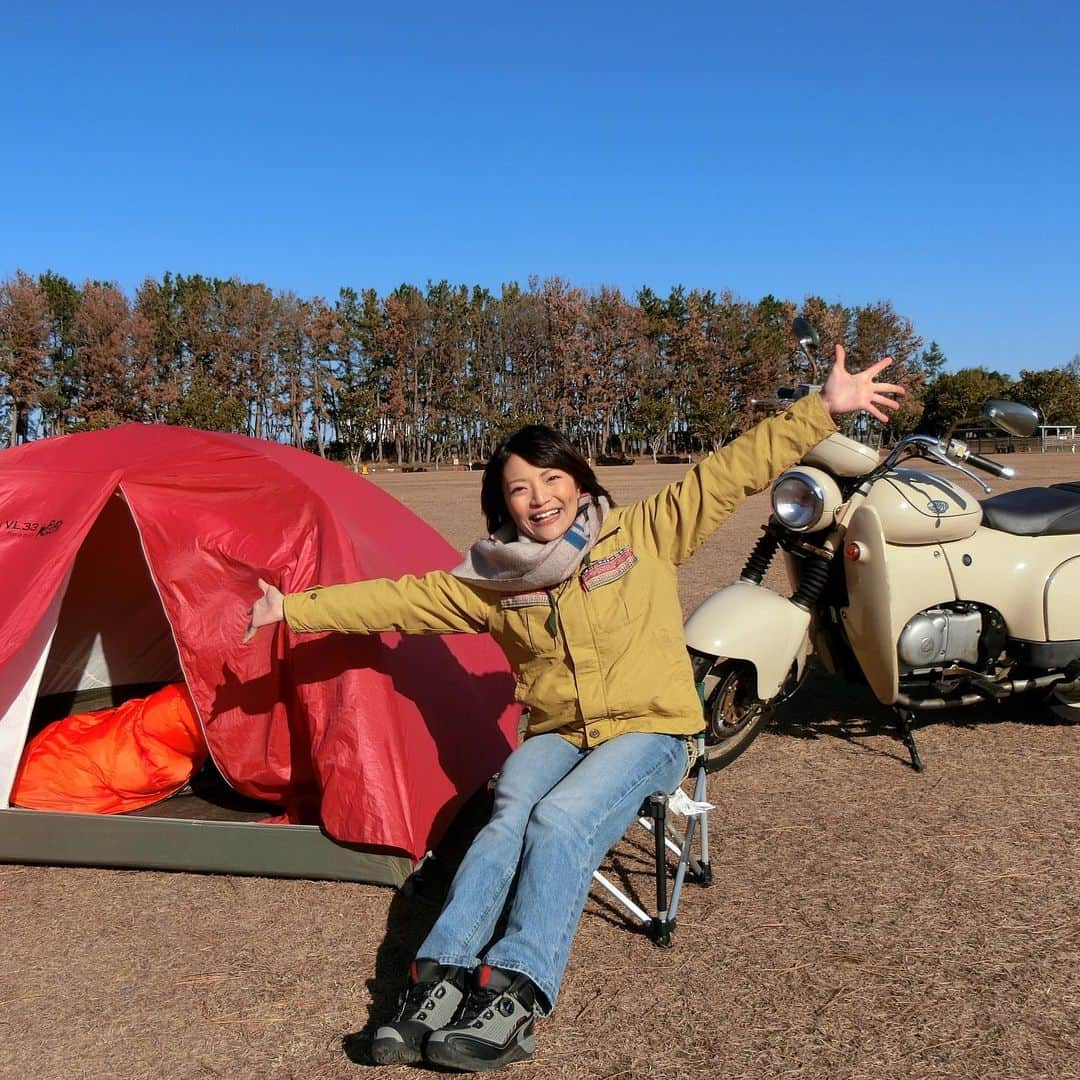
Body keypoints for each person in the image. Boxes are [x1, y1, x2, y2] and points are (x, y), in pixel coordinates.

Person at [244, 346, 903, 1072]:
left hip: (653, 729)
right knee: (505, 821)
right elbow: (397, 598)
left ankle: (518, 993)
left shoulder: (643, 532)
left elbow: (730, 470)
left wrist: (821, 409)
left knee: (559, 820)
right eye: (519, 488)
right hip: (560, 733)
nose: (539, 497)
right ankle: (437, 980)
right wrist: (291, 608)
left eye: (550, 478)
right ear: (503, 505)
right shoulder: (493, 581)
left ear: (578, 481)